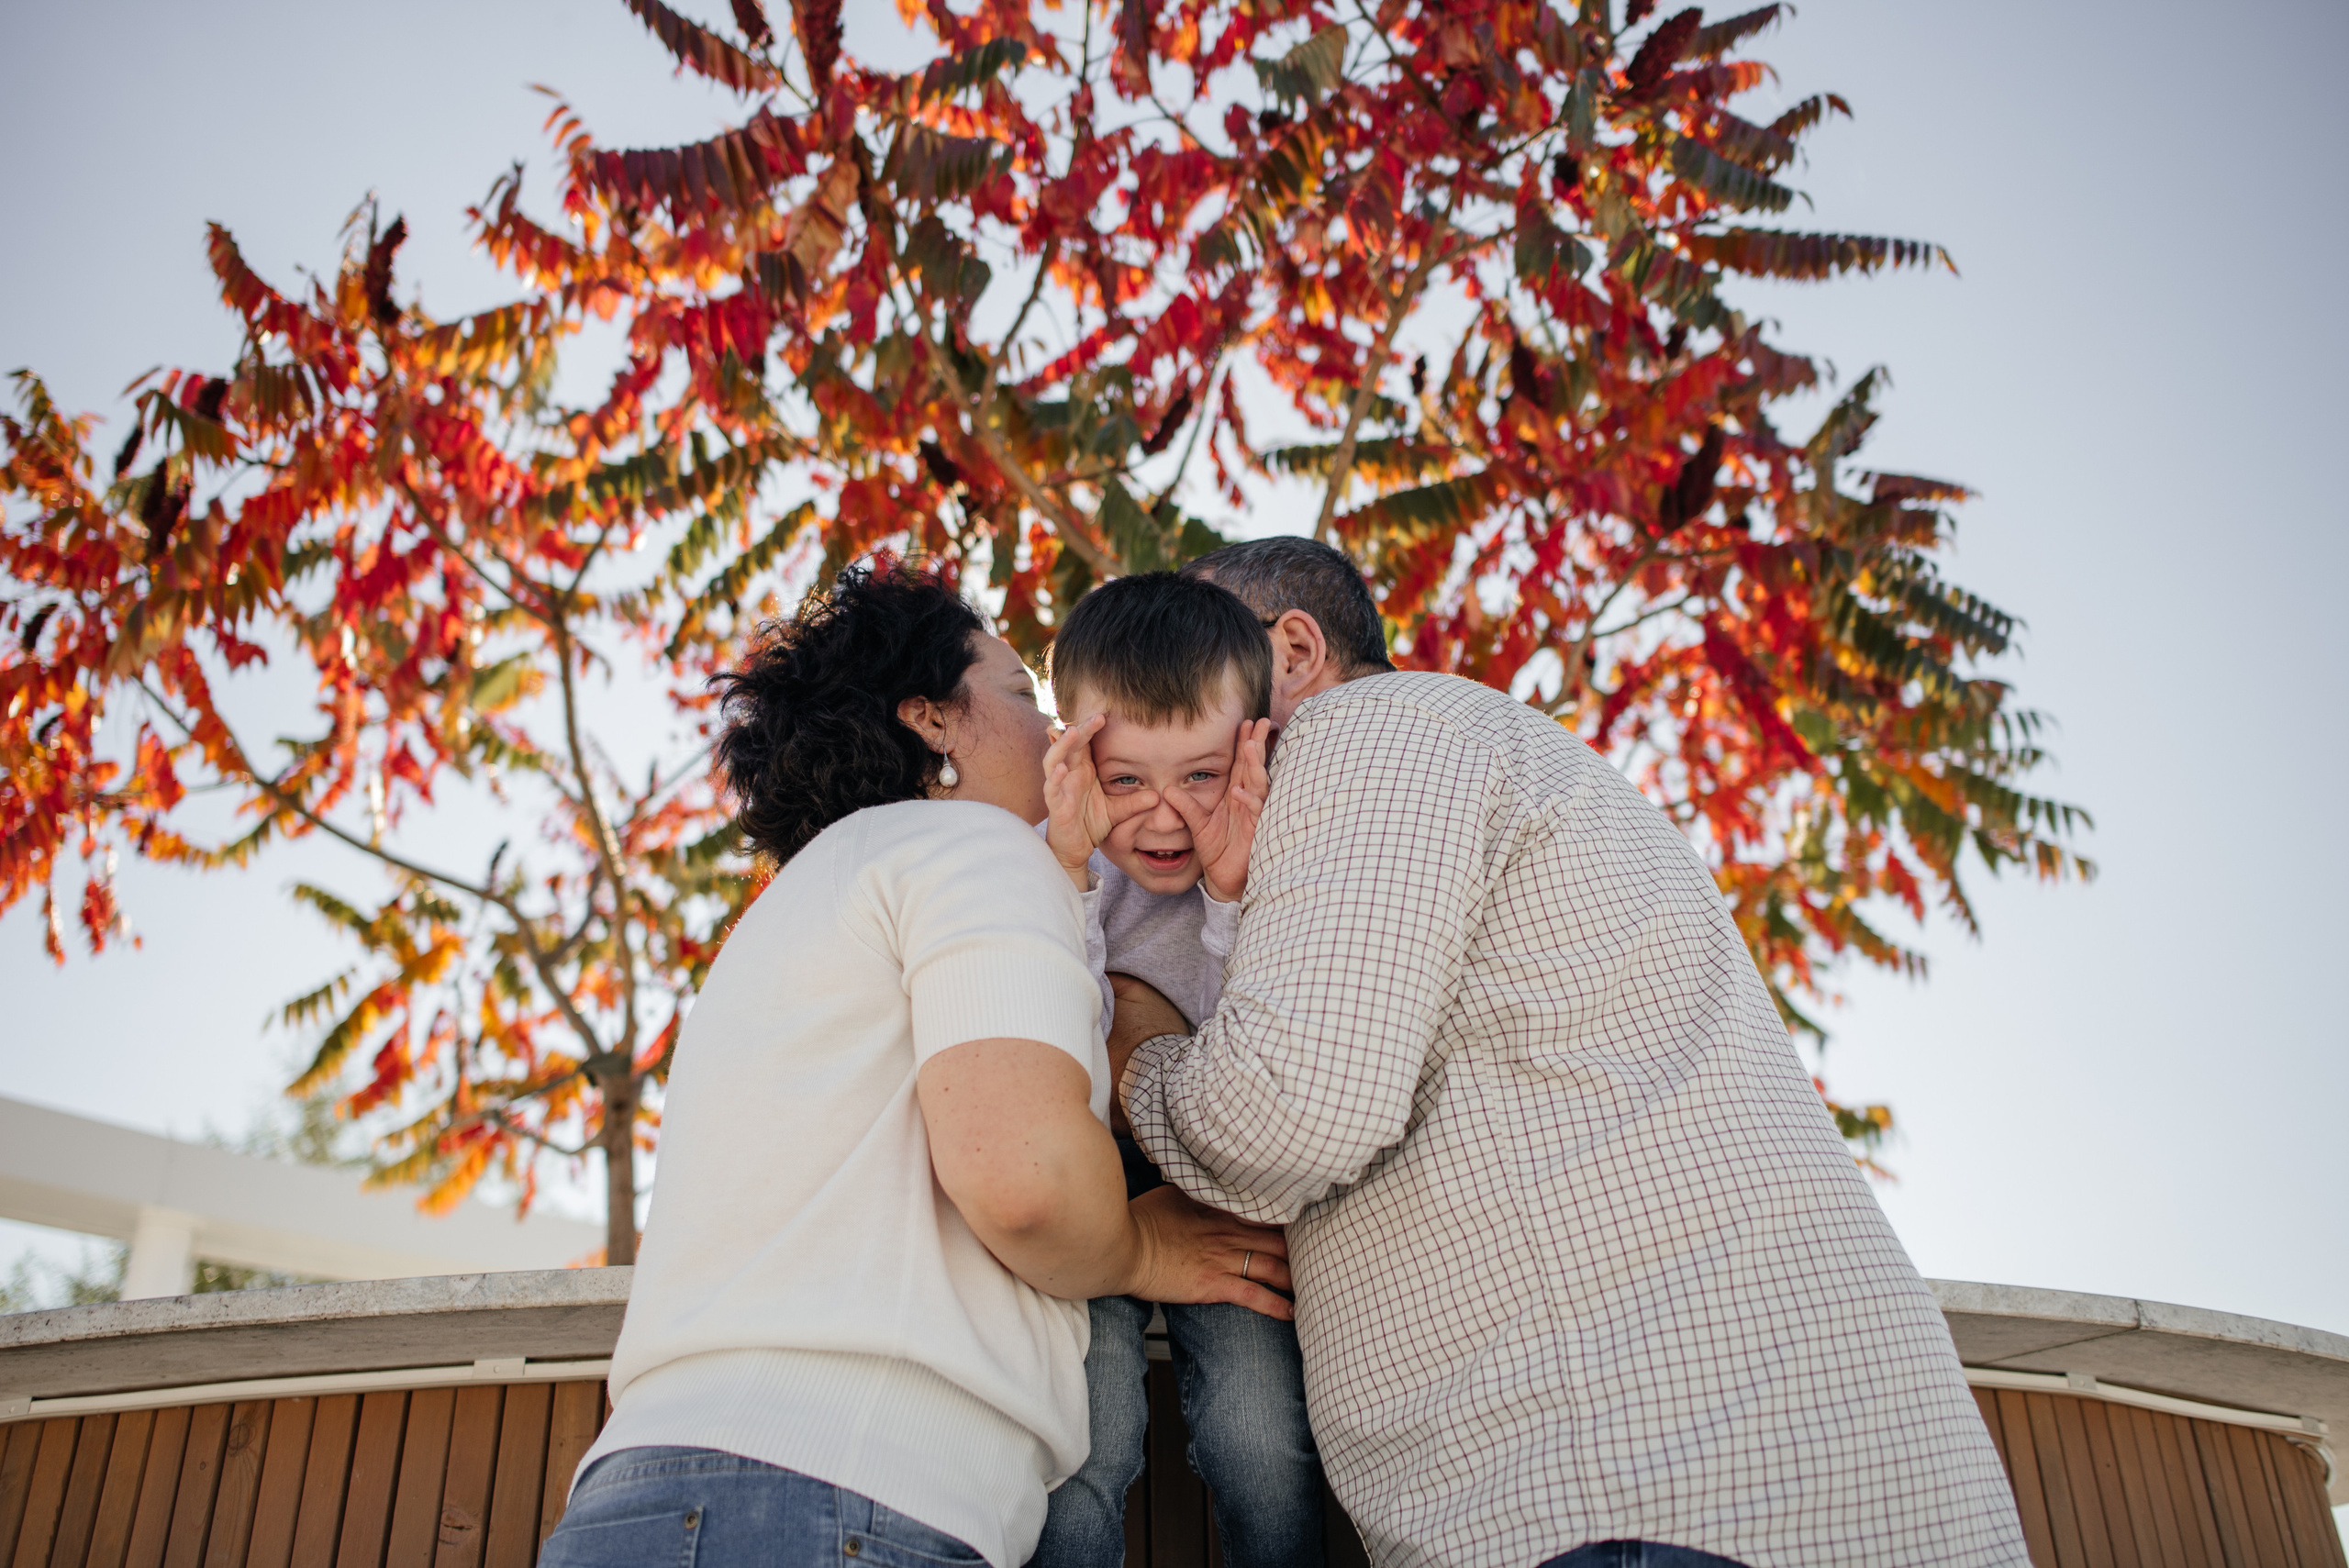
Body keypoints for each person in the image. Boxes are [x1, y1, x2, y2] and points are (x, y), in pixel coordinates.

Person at [1111, 537, 2032, 1568]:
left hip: (1627, 1487)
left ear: (1291, 648)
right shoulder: (1503, 755)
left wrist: (1137, 1042)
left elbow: (1291, 1110)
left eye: (1189, 657)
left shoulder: (1363, 729)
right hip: (1755, 1481)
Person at [542, 562, 1293, 1568]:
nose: (1060, 733)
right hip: (839, 1497)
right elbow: (1023, 1183)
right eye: (1025, 696)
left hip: (657, 1487)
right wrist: (1142, 1251)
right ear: (934, 720)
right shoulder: (970, 851)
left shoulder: (811, 899)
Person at [1027, 573, 1324, 1568]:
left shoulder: (1279, 855)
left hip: (1220, 1179)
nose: (1163, 818)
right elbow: (1056, 1034)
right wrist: (1068, 876)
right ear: (1074, 756)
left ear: (1252, 748)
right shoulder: (1046, 864)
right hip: (1089, 1181)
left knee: (1257, 1435)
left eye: (1199, 776)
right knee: (1087, 1430)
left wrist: (1233, 895)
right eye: (1125, 781)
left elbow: (1265, 1036)